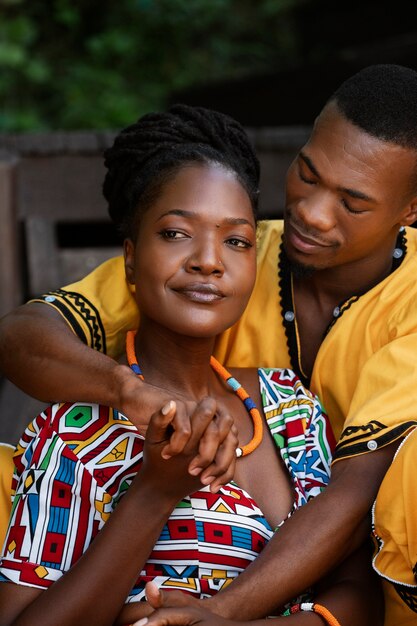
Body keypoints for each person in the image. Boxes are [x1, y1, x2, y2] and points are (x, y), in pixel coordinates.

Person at [1, 63, 417, 623]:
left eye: (354, 202)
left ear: (410, 210)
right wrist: (132, 397)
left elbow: (355, 499)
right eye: (308, 173)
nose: (311, 213)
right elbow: (25, 335)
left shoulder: (293, 407)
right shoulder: (235, 251)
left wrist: (225, 617)